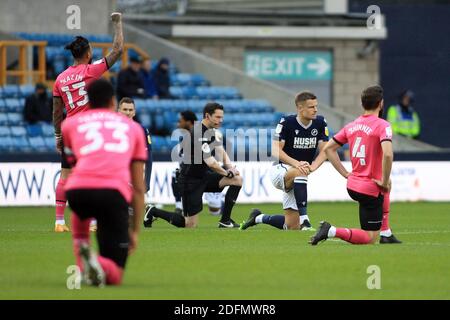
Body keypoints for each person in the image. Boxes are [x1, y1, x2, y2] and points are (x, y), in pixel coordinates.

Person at [63, 79, 147, 286]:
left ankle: (83, 255)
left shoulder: (70, 125)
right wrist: (135, 231)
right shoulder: (134, 129)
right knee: (115, 277)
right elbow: (137, 187)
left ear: (87, 100)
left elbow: (73, 165)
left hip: (77, 191)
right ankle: (96, 261)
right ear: (113, 101)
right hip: (113, 194)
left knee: (82, 216)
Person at [52, 12, 123, 232]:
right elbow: (117, 50)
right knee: (92, 174)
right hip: (88, 130)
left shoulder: (60, 78)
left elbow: (56, 111)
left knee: (65, 175)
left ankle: (59, 221)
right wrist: (118, 23)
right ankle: (92, 221)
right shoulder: (92, 71)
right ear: (89, 52)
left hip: (69, 130)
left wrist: (58, 136)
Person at [309, 85, 401, 245]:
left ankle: (386, 233)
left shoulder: (351, 125)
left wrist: (345, 173)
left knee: (387, 184)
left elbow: (328, 149)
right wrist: (384, 181)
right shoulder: (382, 125)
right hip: (369, 189)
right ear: (381, 104)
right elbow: (387, 154)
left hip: (353, 185)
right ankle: (331, 230)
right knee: (370, 237)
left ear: (362, 104)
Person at [144, 102, 242, 228]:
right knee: (189, 224)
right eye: (217, 117)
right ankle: (153, 211)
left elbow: (220, 151)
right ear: (207, 116)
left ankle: (225, 221)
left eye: (221, 117)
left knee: (237, 180)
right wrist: (227, 173)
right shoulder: (198, 133)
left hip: (204, 176)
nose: (221, 120)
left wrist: (231, 168)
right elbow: (211, 163)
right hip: (190, 182)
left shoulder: (211, 131)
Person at [240, 92, 328, 231]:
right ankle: (305, 221)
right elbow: (276, 150)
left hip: (299, 175)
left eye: (316, 106)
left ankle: (258, 217)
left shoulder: (320, 122)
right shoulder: (287, 122)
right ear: (300, 108)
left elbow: (325, 150)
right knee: (300, 171)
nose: (315, 110)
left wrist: (313, 166)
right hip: (280, 170)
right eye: (311, 107)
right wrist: (297, 164)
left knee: (292, 226)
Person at [170, 110, 224, 216]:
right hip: (193, 177)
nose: (178, 124)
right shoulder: (185, 138)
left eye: (180, 121)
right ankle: (179, 207)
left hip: (208, 173)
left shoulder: (204, 132)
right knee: (175, 174)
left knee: (215, 211)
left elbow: (217, 152)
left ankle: (224, 210)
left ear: (188, 122)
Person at [117, 97, 152, 193]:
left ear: (134, 112)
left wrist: (146, 181)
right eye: (125, 109)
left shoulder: (141, 130)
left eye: (130, 110)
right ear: (119, 111)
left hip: (133, 177)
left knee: (130, 207)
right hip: (114, 177)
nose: (128, 112)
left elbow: (148, 157)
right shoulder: (111, 128)